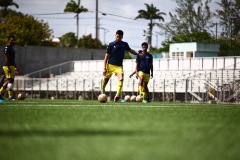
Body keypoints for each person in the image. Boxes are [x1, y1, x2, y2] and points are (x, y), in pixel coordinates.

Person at [101, 30, 141, 102]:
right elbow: (106, 57)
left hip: (119, 66)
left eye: (119, 37)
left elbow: (130, 50)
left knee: (121, 79)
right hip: (110, 65)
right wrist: (104, 68)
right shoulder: (111, 45)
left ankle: (117, 95)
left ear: (122, 37)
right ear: (115, 36)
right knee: (105, 81)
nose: (118, 38)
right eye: (117, 36)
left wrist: (137, 54)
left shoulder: (124, 44)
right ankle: (102, 92)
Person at [0, 36, 19, 100]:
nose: (13, 41)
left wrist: (16, 67)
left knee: (11, 81)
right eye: (12, 40)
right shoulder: (6, 47)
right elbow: (6, 58)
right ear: (8, 40)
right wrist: (8, 67)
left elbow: (12, 59)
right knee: (9, 81)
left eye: (14, 40)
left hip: (12, 66)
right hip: (7, 66)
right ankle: (9, 95)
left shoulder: (12, 48)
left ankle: (9, 96)